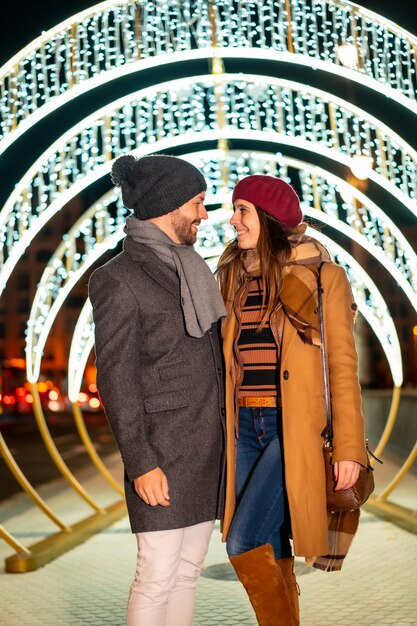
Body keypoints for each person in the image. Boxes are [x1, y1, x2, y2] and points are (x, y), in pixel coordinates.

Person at [216, 174, 368, 626]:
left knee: (242, 541)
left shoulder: (324, 278)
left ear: (268, 217)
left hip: (295, 430)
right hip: (244, 429)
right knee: (270, 544)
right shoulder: (229, 278)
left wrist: (349, 449)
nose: (233, 219)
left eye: (242, 210)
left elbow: (342, 368)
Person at [88, 154, 226, 626]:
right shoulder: (117, 279)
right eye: (197, 203)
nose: (204, 214)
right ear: (169, 205)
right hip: (162, 454)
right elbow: (116, 378)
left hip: (206, 447)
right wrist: (141, 462)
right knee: (157, 574)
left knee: (187, 572)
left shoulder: (193, 269)